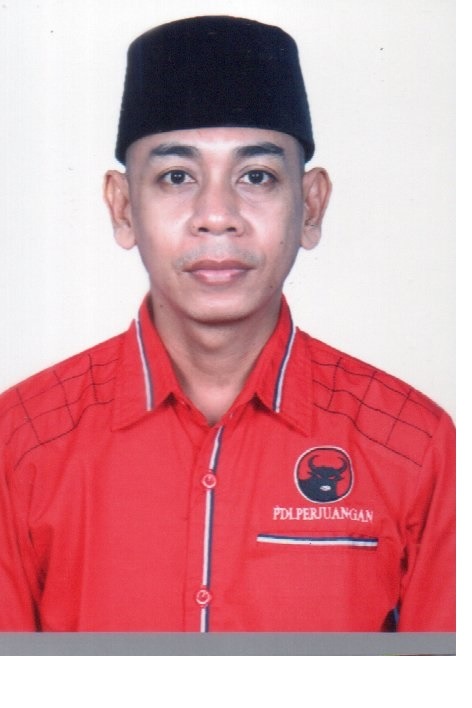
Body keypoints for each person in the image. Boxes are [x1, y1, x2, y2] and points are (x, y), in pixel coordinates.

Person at [0, 15, 455, 633]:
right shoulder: (20, 443)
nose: (217, 215)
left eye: (257, 177)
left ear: (311, 205)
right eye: (177, 177)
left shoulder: (416, 448)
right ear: (123, 207)